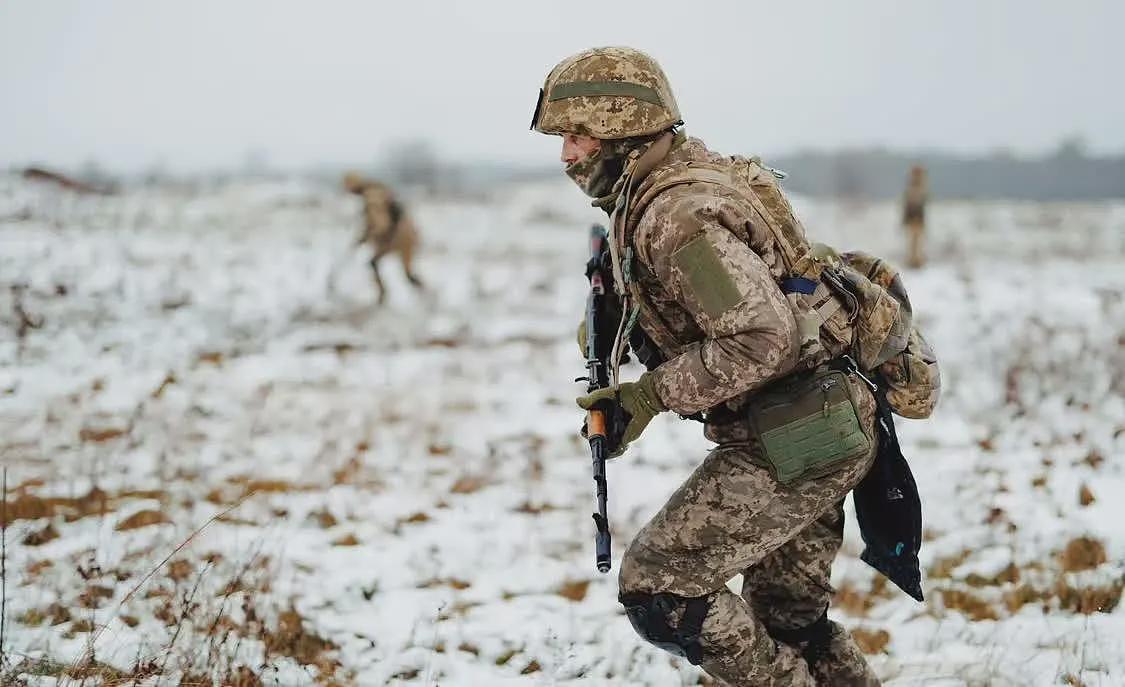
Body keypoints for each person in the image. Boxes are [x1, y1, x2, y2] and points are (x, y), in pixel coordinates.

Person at [532, 47, 882, 686]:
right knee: (787, 621)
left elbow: (761, 339)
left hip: (794, 440)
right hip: (818, 424)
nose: (566, 155)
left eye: (577, 135)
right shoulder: (675, 177)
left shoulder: (676, 216)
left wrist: (649, 395)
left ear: (620, 128)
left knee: (659, 588)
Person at [340, 172, 424, 304]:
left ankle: (384, 296)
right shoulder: (375, 191)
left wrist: (366, 238)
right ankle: (424, 295)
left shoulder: (372, 196)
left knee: (375, 263)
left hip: (399, 236)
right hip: (404, 233)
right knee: (406, 273)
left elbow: (380, 224)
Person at [902, 165, 928, 268]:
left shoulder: (920, 188)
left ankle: (916, 260)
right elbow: (909, 204)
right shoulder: (912, 188)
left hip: (917, 216)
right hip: (913, 216)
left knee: (917, 240)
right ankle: (913, 260)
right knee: (912, 240)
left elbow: (920, 204)